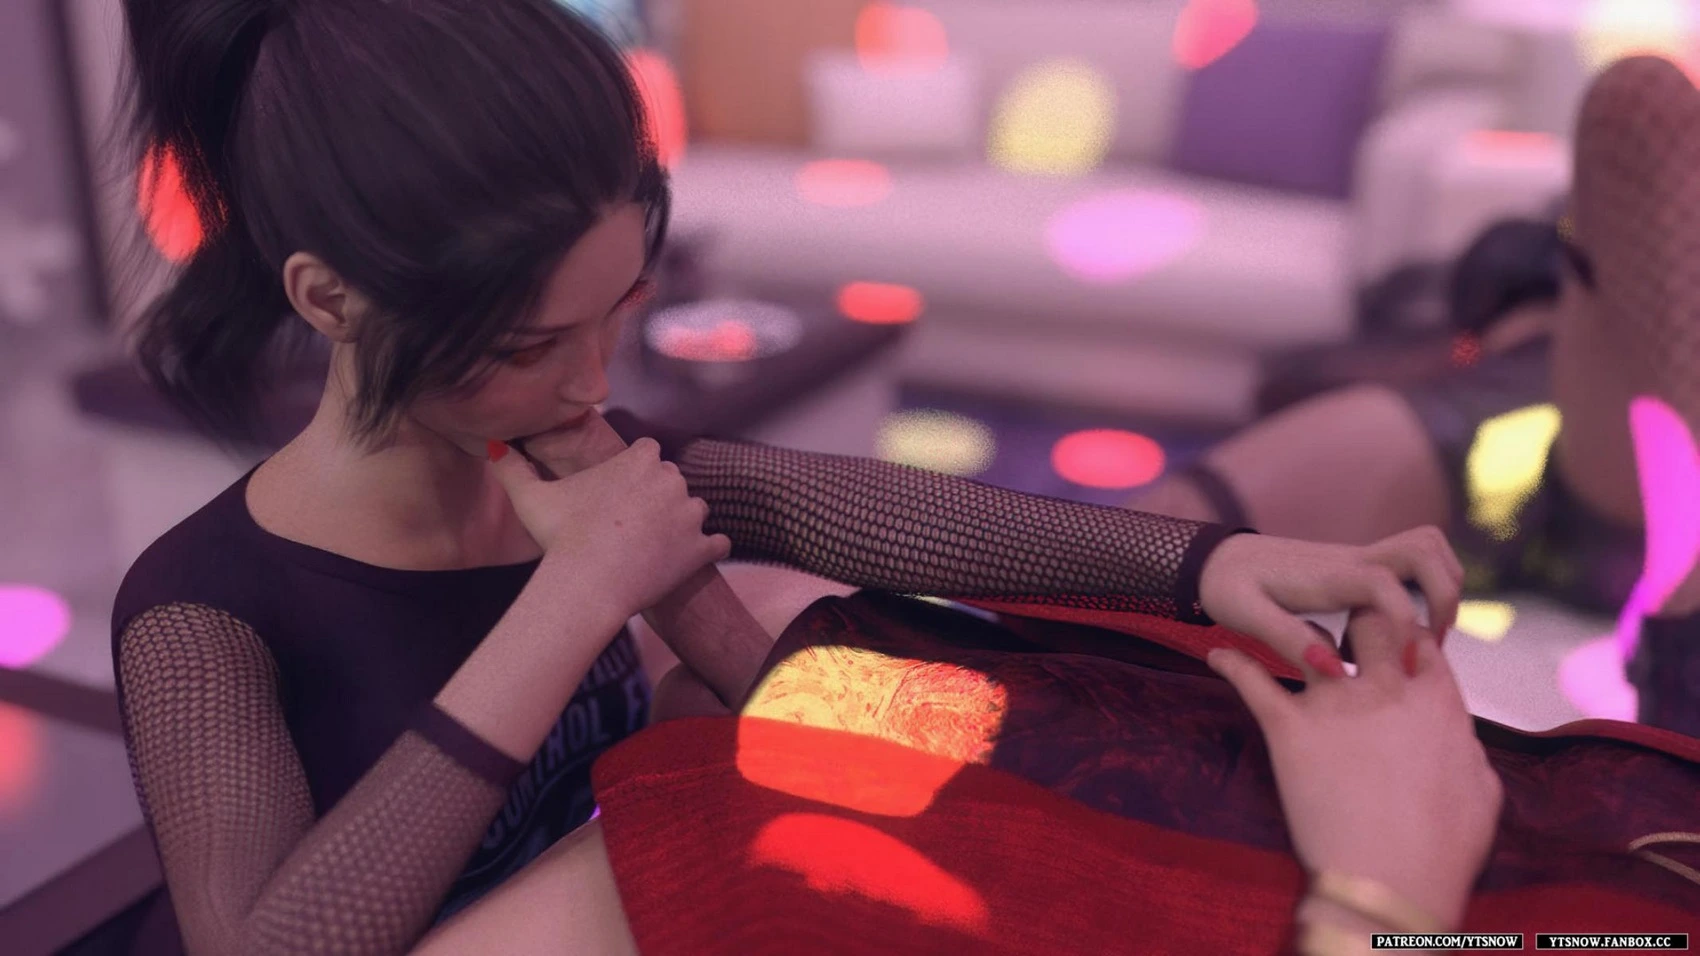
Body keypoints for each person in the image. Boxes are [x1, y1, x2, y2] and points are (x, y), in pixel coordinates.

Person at [106, 0, 1471, 951]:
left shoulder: (574, 454)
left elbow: (878, 516)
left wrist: (1207, 565)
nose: (590, 381)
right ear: (330, 300)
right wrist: (577, 599)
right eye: (526, 347)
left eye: (616, 314)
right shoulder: (202, 611)